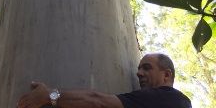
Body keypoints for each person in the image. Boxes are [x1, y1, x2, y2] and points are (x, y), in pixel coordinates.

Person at [18, 53, 192, 108]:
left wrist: (49, 95)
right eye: (138, 69)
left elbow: (97, 101)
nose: (139, 73)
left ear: (166, 75)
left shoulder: (167, 98)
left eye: (146, 68)